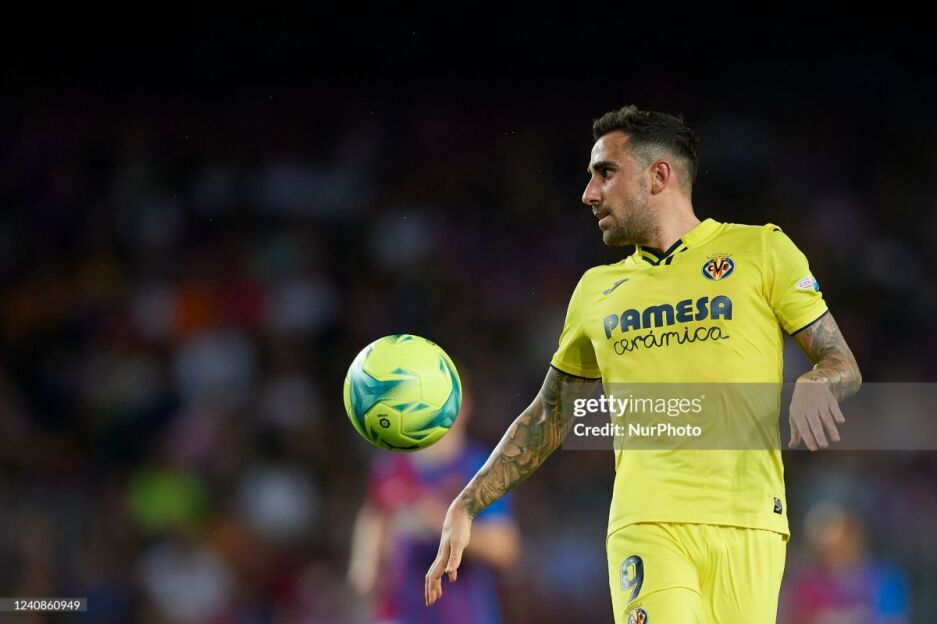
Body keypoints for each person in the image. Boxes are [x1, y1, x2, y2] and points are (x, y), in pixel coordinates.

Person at [424, 105, 862, 623]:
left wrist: (818, 380)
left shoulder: (762, 250)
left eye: (605, 172)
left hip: (751, 520)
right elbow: (549, 414)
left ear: (659, 175)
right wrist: (468, 503)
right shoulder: (596, 291)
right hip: (648, 522)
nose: (589, 193)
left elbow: (840, 361)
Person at [349, 383, 519, 624]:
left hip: (463, 617)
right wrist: (365, 565)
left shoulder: (481, 467)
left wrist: (441, 523)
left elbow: (504, 548)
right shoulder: (390, 466)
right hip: (401, 615)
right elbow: (374, 516)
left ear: (463, 407)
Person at [780, 501, 910, 623]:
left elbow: (892, 618)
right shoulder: (804, 581)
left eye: (834, 534)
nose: (828, 545)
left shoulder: (883, 578)